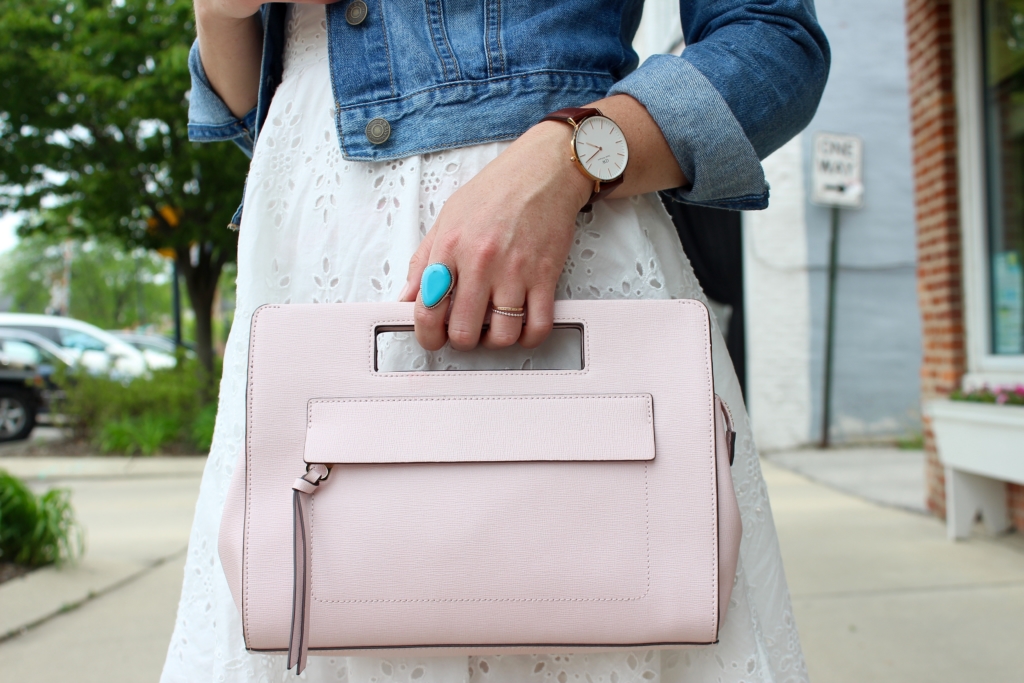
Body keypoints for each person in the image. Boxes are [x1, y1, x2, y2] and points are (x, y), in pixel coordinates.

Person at [162, 1, 829, 681]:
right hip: (310, 248)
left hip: (549, 227)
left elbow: (774, 40)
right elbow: (275, 104)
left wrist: (569, 156)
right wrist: (218, 16)